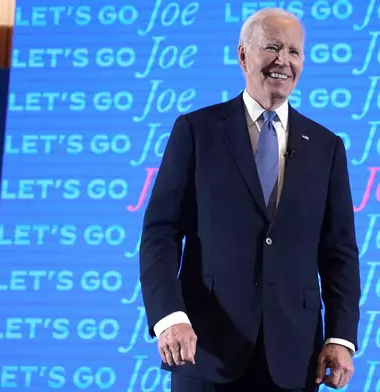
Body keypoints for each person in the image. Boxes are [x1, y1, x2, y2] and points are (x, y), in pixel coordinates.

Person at [139, 8, 360, 392]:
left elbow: (339, 252)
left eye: (294, 52)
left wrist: (340, 339)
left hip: (295, 357)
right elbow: (161, 234)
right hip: (206, 350)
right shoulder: (197, 130)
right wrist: (169, 317)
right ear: (243, 55)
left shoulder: (327, 147)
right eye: (272, 47)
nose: (283, 61)